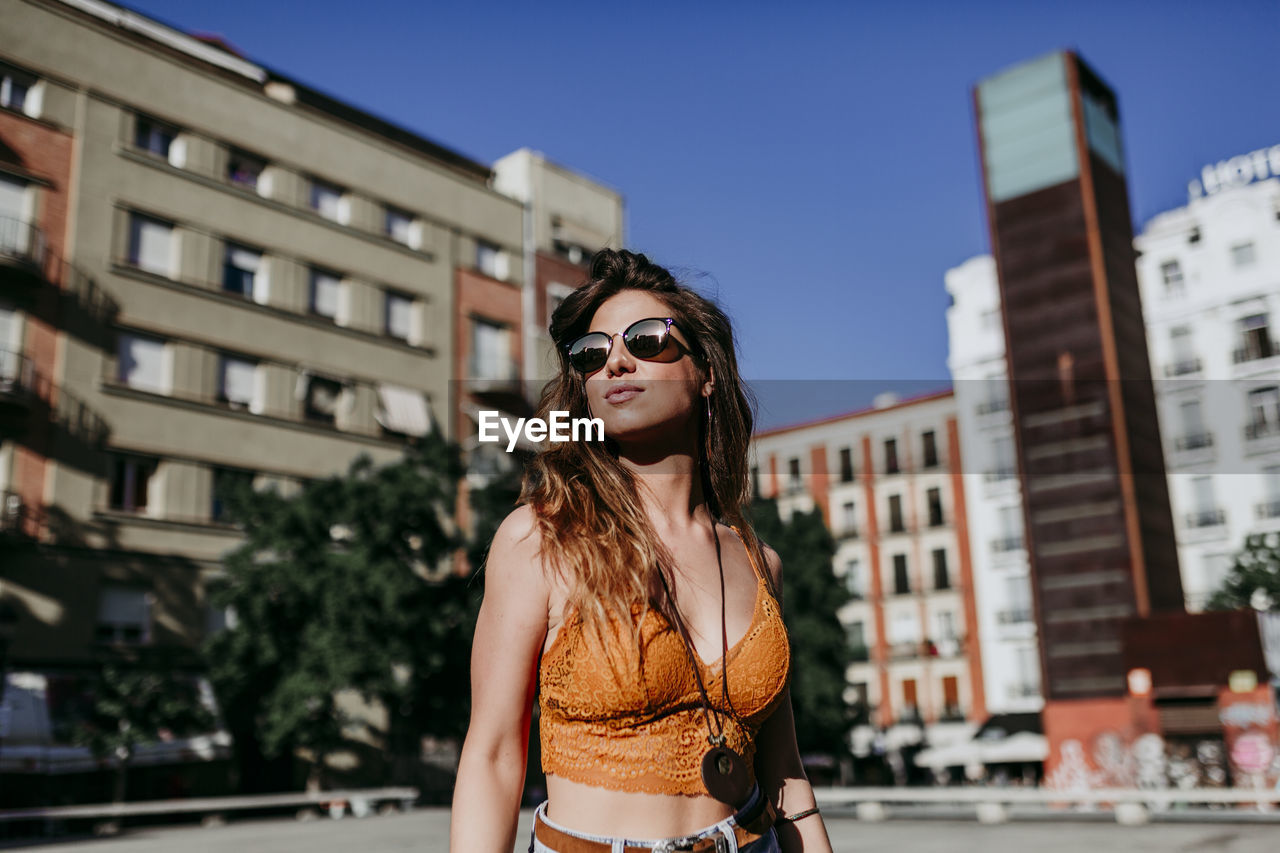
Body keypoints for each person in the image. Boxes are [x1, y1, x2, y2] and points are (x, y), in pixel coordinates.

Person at [450, 250, 834, 853]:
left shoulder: (761, 561)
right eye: (592, 354)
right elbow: (494, 755)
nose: (617, 362)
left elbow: (784, 773)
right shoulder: (543, 538)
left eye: (648, 340)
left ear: (706, 371)